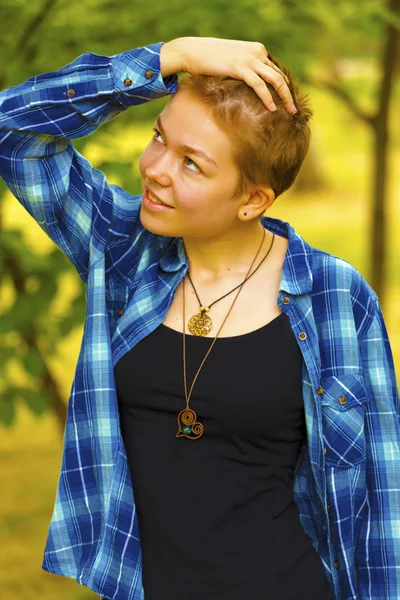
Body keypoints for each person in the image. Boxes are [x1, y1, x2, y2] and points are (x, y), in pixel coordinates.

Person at [0, 35, 399, 600]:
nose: (156, 170)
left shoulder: (334, 297)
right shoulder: (122, 250)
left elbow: (382, 503)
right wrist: (172, 57)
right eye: (159, 137)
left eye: (192, 164)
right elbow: (14, 130)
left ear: (252, 200)